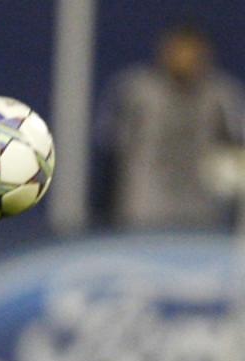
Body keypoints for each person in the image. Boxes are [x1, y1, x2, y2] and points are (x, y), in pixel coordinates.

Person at [94, 22, 245, 230]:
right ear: (164, 51)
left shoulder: (221, 96)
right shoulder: (136, 92)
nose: (185, 59)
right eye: (179, 51)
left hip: (203, 216)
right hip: (144, 212)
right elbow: (111, 155)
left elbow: (236, 152)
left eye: (192, 52)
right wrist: (105, 211)